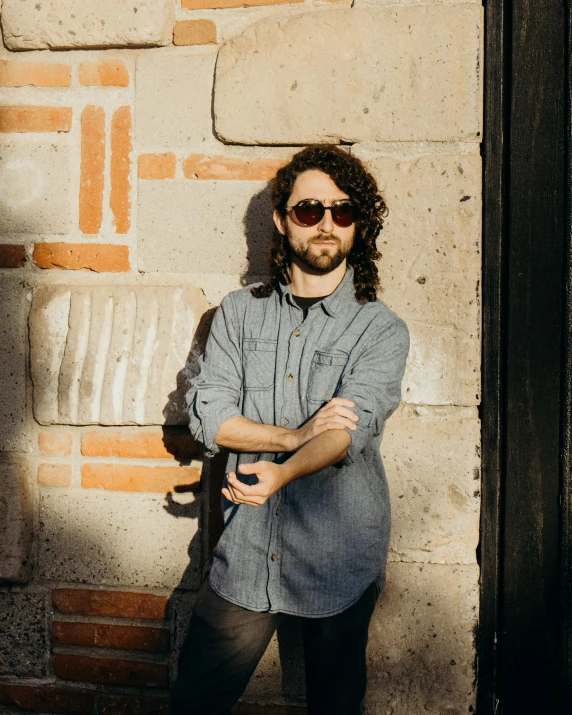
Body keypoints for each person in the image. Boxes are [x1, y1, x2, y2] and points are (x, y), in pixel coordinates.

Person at [171, 145, 410, 715]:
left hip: (339, 556)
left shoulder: (380, 330)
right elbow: (209, 414)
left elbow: (348, 432)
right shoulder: (237, 312)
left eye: (343, 211)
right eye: (309, 210)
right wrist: (290, 436)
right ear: (282, 221)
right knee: (194, 702)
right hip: (247, 552)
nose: (327, 224)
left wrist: (285, 470)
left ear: (358, 223)